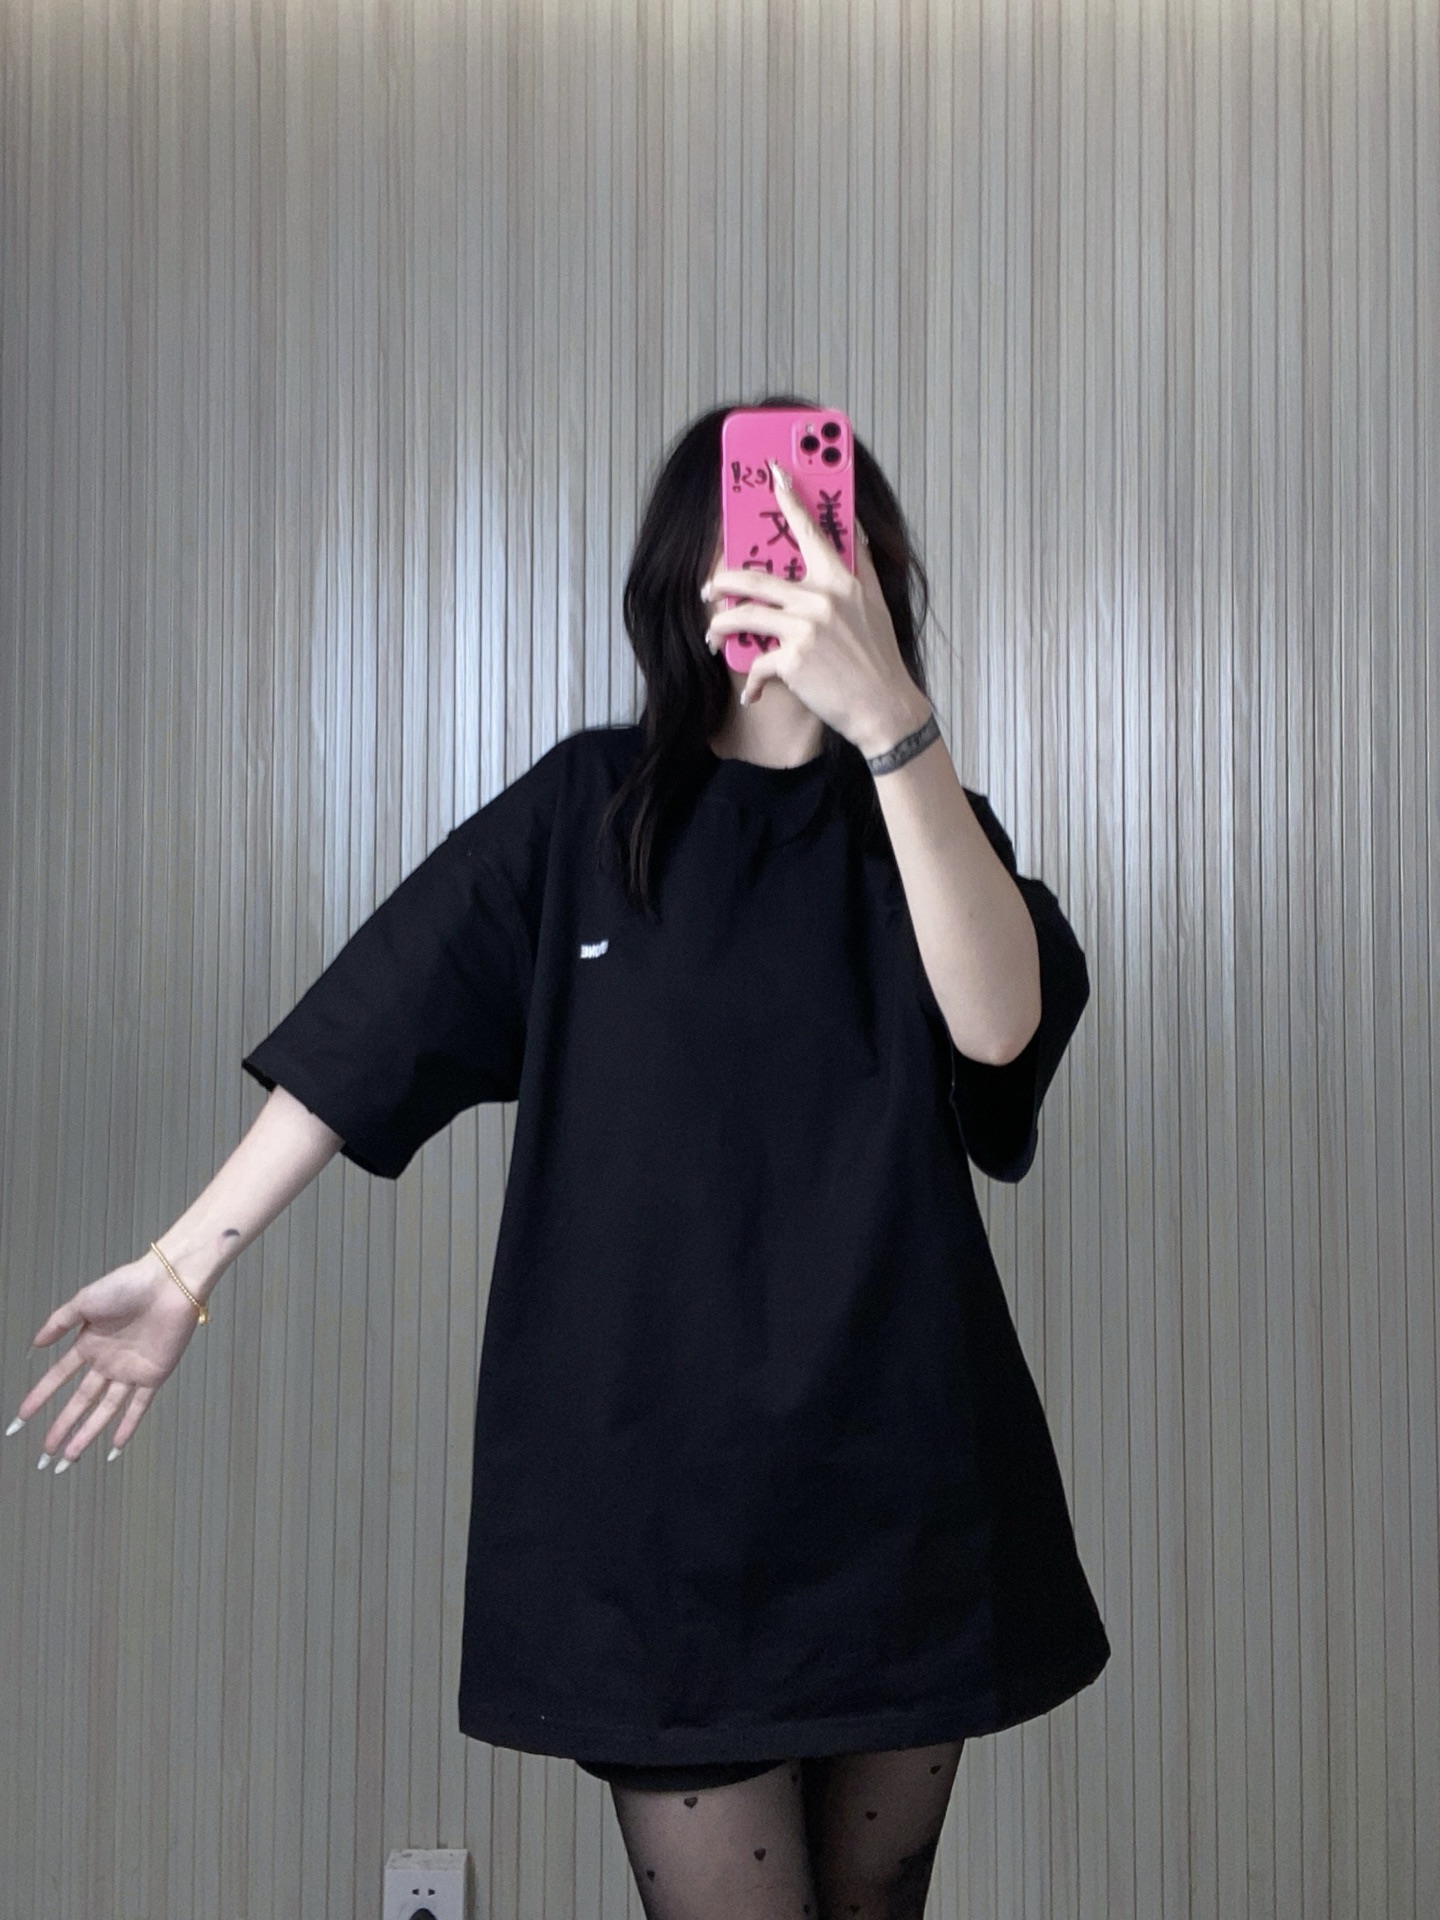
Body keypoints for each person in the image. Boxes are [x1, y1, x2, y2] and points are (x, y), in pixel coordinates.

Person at [6, 395, 1109, 1919]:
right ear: (685, 572)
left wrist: (894, 726)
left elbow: (998, 1027)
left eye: (818, 533)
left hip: (904, 1482)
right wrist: (182, 1269)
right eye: (751, 529)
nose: (783, 561)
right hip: (653, 1500)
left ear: (875, 569)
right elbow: (370, 1031)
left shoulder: (929, 825)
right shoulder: (587, 813)